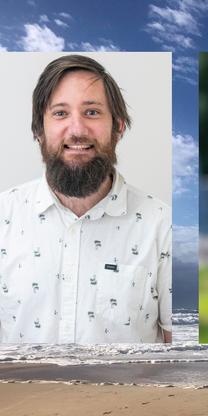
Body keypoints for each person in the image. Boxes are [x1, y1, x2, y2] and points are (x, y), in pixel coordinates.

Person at [0, 54, 172, 343]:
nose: (77, 130)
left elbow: (182, 356)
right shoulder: (4, 218)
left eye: (92, 112)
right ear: (38, 130)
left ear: (117, 126)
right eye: (60, 113)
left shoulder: (164, 226)